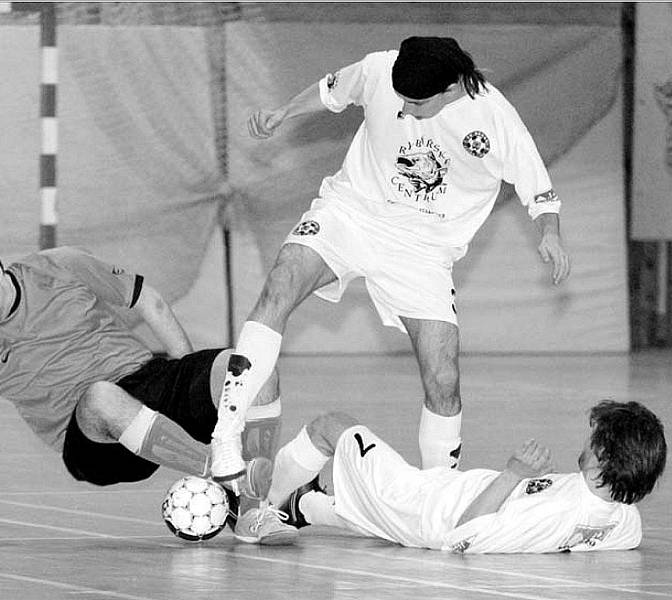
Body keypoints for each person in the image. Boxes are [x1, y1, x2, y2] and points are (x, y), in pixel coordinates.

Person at [210, 36, 571, 487]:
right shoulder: (382, 68)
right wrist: (284, 112)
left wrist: (550, 233)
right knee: (279, 286)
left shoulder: (495, 117)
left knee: (443, 375)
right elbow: (330, 90)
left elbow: (536, 186)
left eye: (417, 104)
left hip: (423, 248)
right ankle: (225, 433)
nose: (407, 113)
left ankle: (438, 491)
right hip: (352, 211)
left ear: (453, 88)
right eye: (401, 101)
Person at [0, 233, 295, 544]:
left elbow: (149, 302)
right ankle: (230, 477)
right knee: (99, 396)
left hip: (144, 378)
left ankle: (254, 513)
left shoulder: (60, 266)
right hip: (89, 438)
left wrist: (183, 371)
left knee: (250, 366)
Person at [252, 400, 666, 551]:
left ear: (605, 456)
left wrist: (513, 474)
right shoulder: (621, 518)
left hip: (423, 507)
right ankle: (302, 506)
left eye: (595, 437)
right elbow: (626, 533)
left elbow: (461, 536)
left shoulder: (557, 512)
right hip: (431, 499)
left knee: (332, 425)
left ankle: (259, 507)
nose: (587, 438)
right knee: (362, 508)